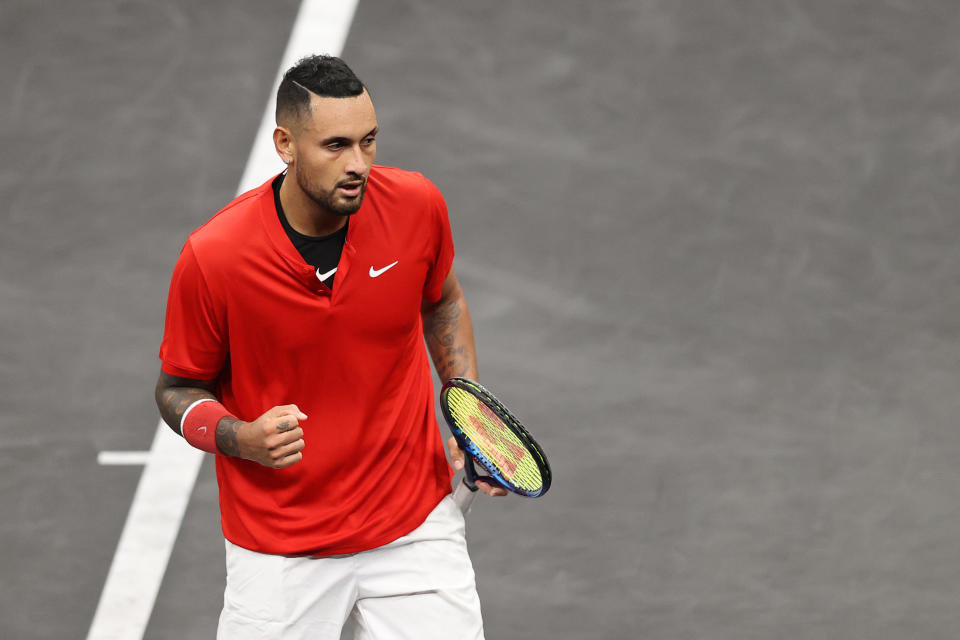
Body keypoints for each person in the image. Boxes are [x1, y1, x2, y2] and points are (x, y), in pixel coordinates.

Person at [155, 54, 505, 640]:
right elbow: (177, 388)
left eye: (369, 142)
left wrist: (472, 412)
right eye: (336, 145)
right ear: (285, 144)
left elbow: (441, 300)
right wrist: (238, 437)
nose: (359, 164)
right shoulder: (216, 257)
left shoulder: (416, 207)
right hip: (282, 550)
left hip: (412, 525)